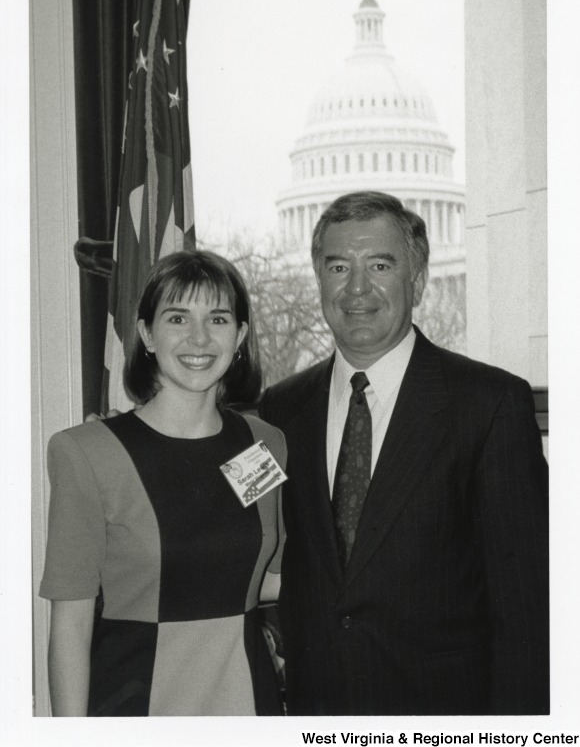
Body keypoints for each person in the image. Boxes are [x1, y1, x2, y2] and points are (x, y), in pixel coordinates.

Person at [259, 190, 549, 716]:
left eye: (380, 265)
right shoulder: (279, 411)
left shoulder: (488, 406)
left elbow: (528, 609)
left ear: (416, 279)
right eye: (339, 266)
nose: (357, 288)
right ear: (319, 279)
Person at [40, 250, 286, 716]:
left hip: (248, 706)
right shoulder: (88, 453)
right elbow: (70, 628)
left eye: (218, 318)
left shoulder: (263, 445)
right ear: (147, 334)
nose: (199, 337)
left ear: (241, 337)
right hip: (137, 710)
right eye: (178, 318)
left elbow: (267, 578)